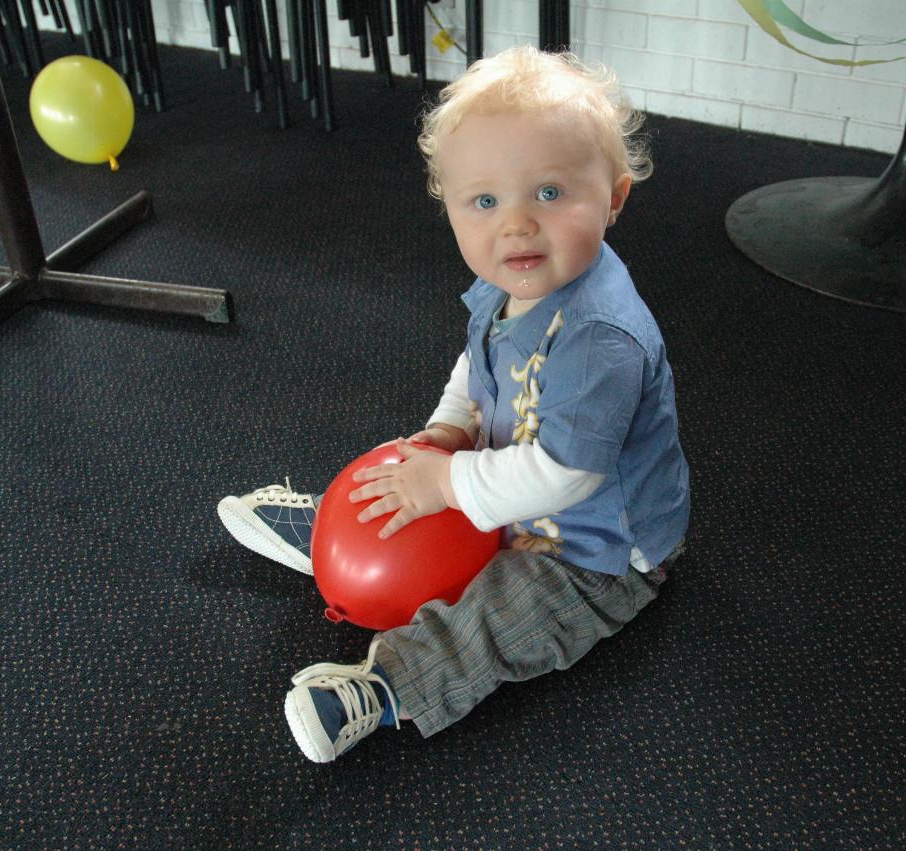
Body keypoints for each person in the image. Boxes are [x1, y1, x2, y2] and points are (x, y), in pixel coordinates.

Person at [217, 44, 690, 764]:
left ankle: (386, 689)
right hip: (511, 473)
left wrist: (444, 482)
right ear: (453, 207)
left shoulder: (601, 339)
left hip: (593, 550)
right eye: (486, 201)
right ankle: (335, 534)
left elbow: (567, 476)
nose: (518, 225)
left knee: (503, 617)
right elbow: (480, 360)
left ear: (616, 196)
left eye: (551, 193)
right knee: (416, 475)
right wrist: (448, 427)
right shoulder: (515, 282)